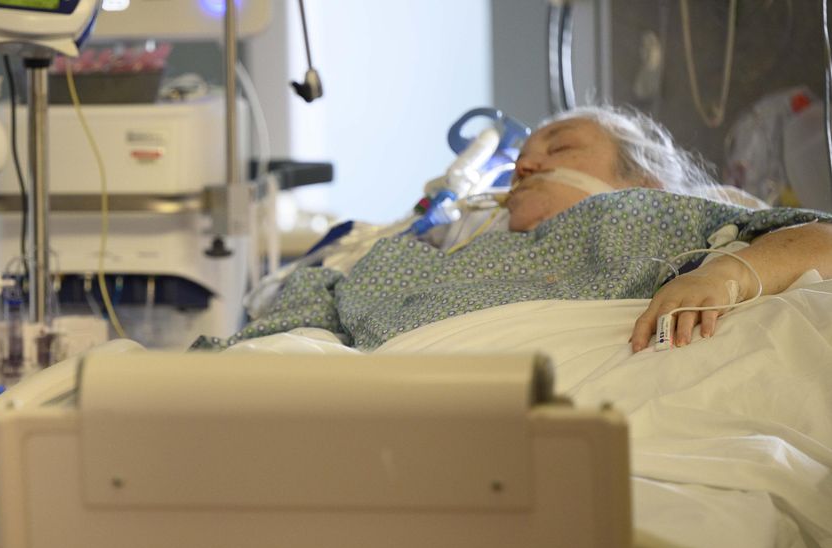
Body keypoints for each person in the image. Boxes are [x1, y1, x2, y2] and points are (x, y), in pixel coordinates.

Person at [215, 105, 832, 352]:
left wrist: (728, 274)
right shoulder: (430, 252)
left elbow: (822, 239)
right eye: (520, 160)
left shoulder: (674, 216)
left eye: (559, 148)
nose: (526, 165)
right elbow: (312, 309)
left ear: (646, 180)